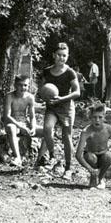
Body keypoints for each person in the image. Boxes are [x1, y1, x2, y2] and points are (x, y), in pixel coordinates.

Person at [35, 42, 81, 180]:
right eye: (59, 55)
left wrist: (61, 99)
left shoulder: (70, 72)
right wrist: (44, 97)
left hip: (66, 107)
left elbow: (77, 92)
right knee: (47, 128)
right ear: (54, 55)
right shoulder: (47, 71)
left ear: (67, 56)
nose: (62, 58)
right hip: (52, 107)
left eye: (64, 56)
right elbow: (41, 90)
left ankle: (68, 168)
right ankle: (53, 156)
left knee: (66, 137)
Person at [76, 103, 111, 188]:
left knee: (109, 155)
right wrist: (90, 169)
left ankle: (100, 178)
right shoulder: (86, 131)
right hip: (91, 156)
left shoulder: (109, 129)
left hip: (104, 156)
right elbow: (78, 155)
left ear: (104, 117)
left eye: (100, 117)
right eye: (94, 117)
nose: (97, 120)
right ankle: (93, 176)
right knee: (90, 157)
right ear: (90, 118)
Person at [4, 75, 41, 167]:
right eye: (20, 85)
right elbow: (7, 116)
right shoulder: (10, 96)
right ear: (15, 85)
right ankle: (18, 158)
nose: (23, 88)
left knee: (48, 131)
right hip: (13, 122)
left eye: (25, 85)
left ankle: (41, 159)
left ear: (28, 86)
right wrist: (20, 126)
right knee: (11, 128)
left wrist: (32, 127)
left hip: (24, 122)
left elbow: (32, 116)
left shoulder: (30, 97)